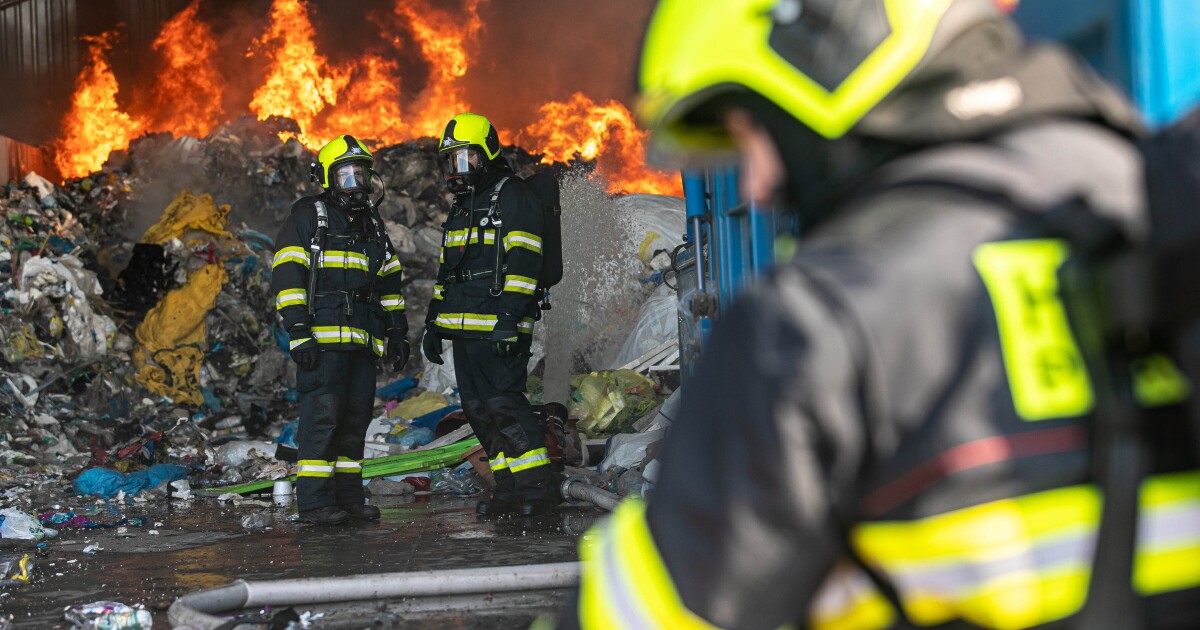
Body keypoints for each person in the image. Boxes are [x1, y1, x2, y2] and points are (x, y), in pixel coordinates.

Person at [563, 0, 1200, 628]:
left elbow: (642, 615)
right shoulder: (1155, 197)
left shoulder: (813, 318)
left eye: (754, 136)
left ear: (824, 64)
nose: (755, 185)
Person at [421, 112, 559, 517]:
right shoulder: (463, 206)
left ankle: (539, 488)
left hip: (500, 326)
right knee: (479, 410)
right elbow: (448, 272)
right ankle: (509, 487)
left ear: (487, 154)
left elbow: (525, 262)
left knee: (504, 406)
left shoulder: (512, 195)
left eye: (465, 158)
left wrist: (509, 319)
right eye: (451, 161)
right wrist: (433, 324)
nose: (457, 169)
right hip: (465, 330)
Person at [271, 134, 409, 526]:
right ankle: (315, 504)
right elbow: (288, 277)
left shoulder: (372, 224)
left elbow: (389, 281)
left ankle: (349, 499)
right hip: (322, 343)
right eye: (346, 175)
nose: (356, 184)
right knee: (322, 421)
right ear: (328, 178)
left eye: (361, 174)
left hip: (363, 342)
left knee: (355, 422)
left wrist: (397, 330)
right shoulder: (308, 217)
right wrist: (299, 332)